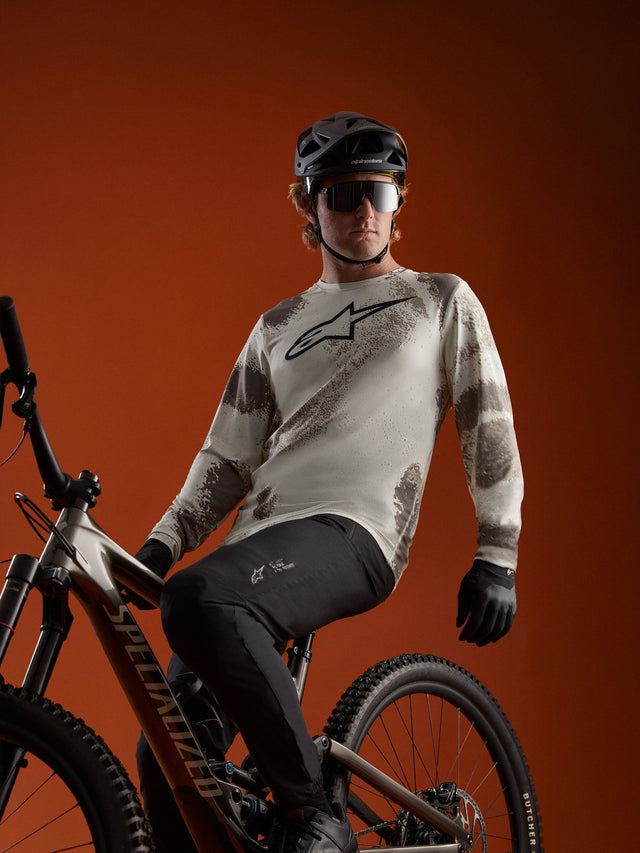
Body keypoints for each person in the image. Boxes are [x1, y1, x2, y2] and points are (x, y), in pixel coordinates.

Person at [133, 111, 524, 853]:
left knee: (199, 599)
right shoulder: (277, 326)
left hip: (357, 529)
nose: (366, 209)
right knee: (168, 760)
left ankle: (316, 814)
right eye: (344, 194)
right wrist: (160, 544)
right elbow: (224, 460)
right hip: (261, 540)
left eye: (381, 191)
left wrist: (496, 553)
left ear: (399, 203)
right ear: (310, 207)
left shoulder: (439, 300)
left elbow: (488, 421)